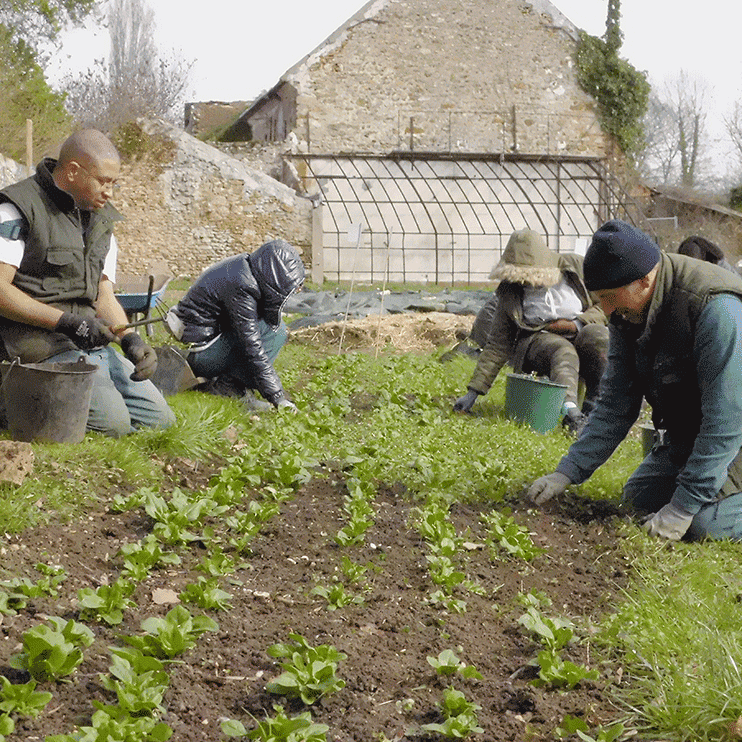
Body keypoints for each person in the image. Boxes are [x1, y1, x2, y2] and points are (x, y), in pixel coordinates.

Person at [527, 219, 742, 541]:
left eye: (610, 297)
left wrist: (683, 508)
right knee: (639, 499)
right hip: (694, 434)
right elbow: (615, 403)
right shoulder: (628, 312)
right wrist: (567, 471)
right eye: (599, 299)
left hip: (733, 430)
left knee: (701, 526)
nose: (606, 310)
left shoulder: (717, 310)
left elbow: (725, 420)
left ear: (643, 281)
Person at [0, 129, 174, 437]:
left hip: (86, 341)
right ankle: (13, 401)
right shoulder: (17, 209)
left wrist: (128, 338)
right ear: (72, 171)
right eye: (103, 181)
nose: (110, 192)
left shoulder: (100, 220)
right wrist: (69, 323)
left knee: (160, 420)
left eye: (113, 183)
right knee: (115, 425)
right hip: (34, 346)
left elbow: (103, 294)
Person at [452, 229, 609, 435]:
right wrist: (473, 392)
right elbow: (498, 345)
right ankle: (571, 414)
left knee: (600, 337)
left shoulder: (575, 269)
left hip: (579, 330)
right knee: (562, 350)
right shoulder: (510, 292)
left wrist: (576, 324)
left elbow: (604, 305)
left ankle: (595, 409)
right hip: (537, 342)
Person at [169, 238, 305, 412]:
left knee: (272, 329)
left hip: (203, 337)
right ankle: (229, 388)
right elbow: (252, 346)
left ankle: (233, 384)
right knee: (272, 332)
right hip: (200, 352)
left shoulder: (244, 269)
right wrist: (277, 396)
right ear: (275, 278)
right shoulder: (242, 286)